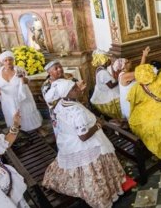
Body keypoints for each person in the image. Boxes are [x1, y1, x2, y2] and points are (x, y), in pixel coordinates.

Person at [42, 79, 125, 207]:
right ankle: (101, 197)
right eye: (74, 89)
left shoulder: (61, 103)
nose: (78, 89)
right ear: (67, 93)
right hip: (87, 145)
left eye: (76, 87)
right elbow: (84, 136)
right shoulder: (77, 112)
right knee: (94, 174)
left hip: (69, 143)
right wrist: (97, 125)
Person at [0, 51, 42, 132]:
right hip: (7, 99)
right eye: (5, 60)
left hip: (22, 97)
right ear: (2, 62)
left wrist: (23, 78)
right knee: (12, 114)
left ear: (13, 60)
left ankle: (36, 129)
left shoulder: (19, 69)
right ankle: (17, 132)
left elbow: (27, 81)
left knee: (26, 112)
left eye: (10, 59)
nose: (8, 62)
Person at [115, 46, 150, 119]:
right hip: (129, 104)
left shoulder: (124, 74)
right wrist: (144, 56)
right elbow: (139, 71)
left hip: (131, 100)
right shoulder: (124, 76)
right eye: (127, 62)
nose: (130, 62)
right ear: (123, 67)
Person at [90, 50, 122, 119]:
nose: (110, 60)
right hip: (109, 95)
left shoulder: (99, 69)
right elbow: (111, 86)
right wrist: (119, 79)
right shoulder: (103, 73)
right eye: (108, 59)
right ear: (104, 61)